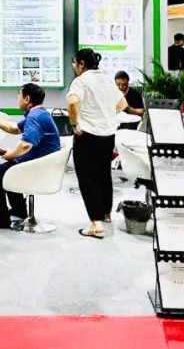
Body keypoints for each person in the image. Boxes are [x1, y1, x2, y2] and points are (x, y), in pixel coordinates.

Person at [0, 83, 62, 229]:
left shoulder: (34, 117)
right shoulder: (40, 113)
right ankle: (19, 210)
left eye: (19, 95)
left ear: (27, 98)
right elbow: (16, 129)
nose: (18, 97)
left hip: (39, 167)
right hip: (44, 164)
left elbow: (26, 145)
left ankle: (0, 219)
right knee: (10, 166)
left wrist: (10, 155)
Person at [67, 48, 127, 239]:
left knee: (87, 178)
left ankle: (96, 224)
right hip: (108, 135)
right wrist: (105, 116)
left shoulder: (81, 81)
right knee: (104, 174)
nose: (74, 67)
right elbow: (122, 104)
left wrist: (74, 124)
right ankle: (106, 214)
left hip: (87, 135)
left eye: (75, 63)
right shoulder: (107, 79)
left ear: (82, 64)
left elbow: (73, 103)